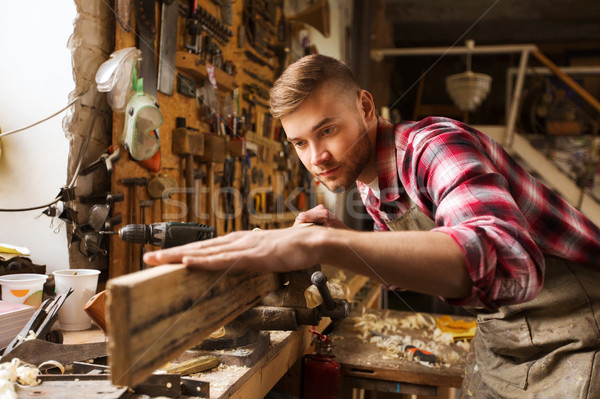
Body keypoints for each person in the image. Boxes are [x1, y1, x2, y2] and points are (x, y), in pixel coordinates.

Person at [145, 54, 600, 398]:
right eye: (299, 142)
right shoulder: (372, 181)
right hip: (503, 338)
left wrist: (326, 243)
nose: (316, 158)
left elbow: (508, 264)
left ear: (365, 107)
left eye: (327, 131)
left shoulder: (432, 147)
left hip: (579, 332)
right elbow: (410, 267)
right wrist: (344, 237)